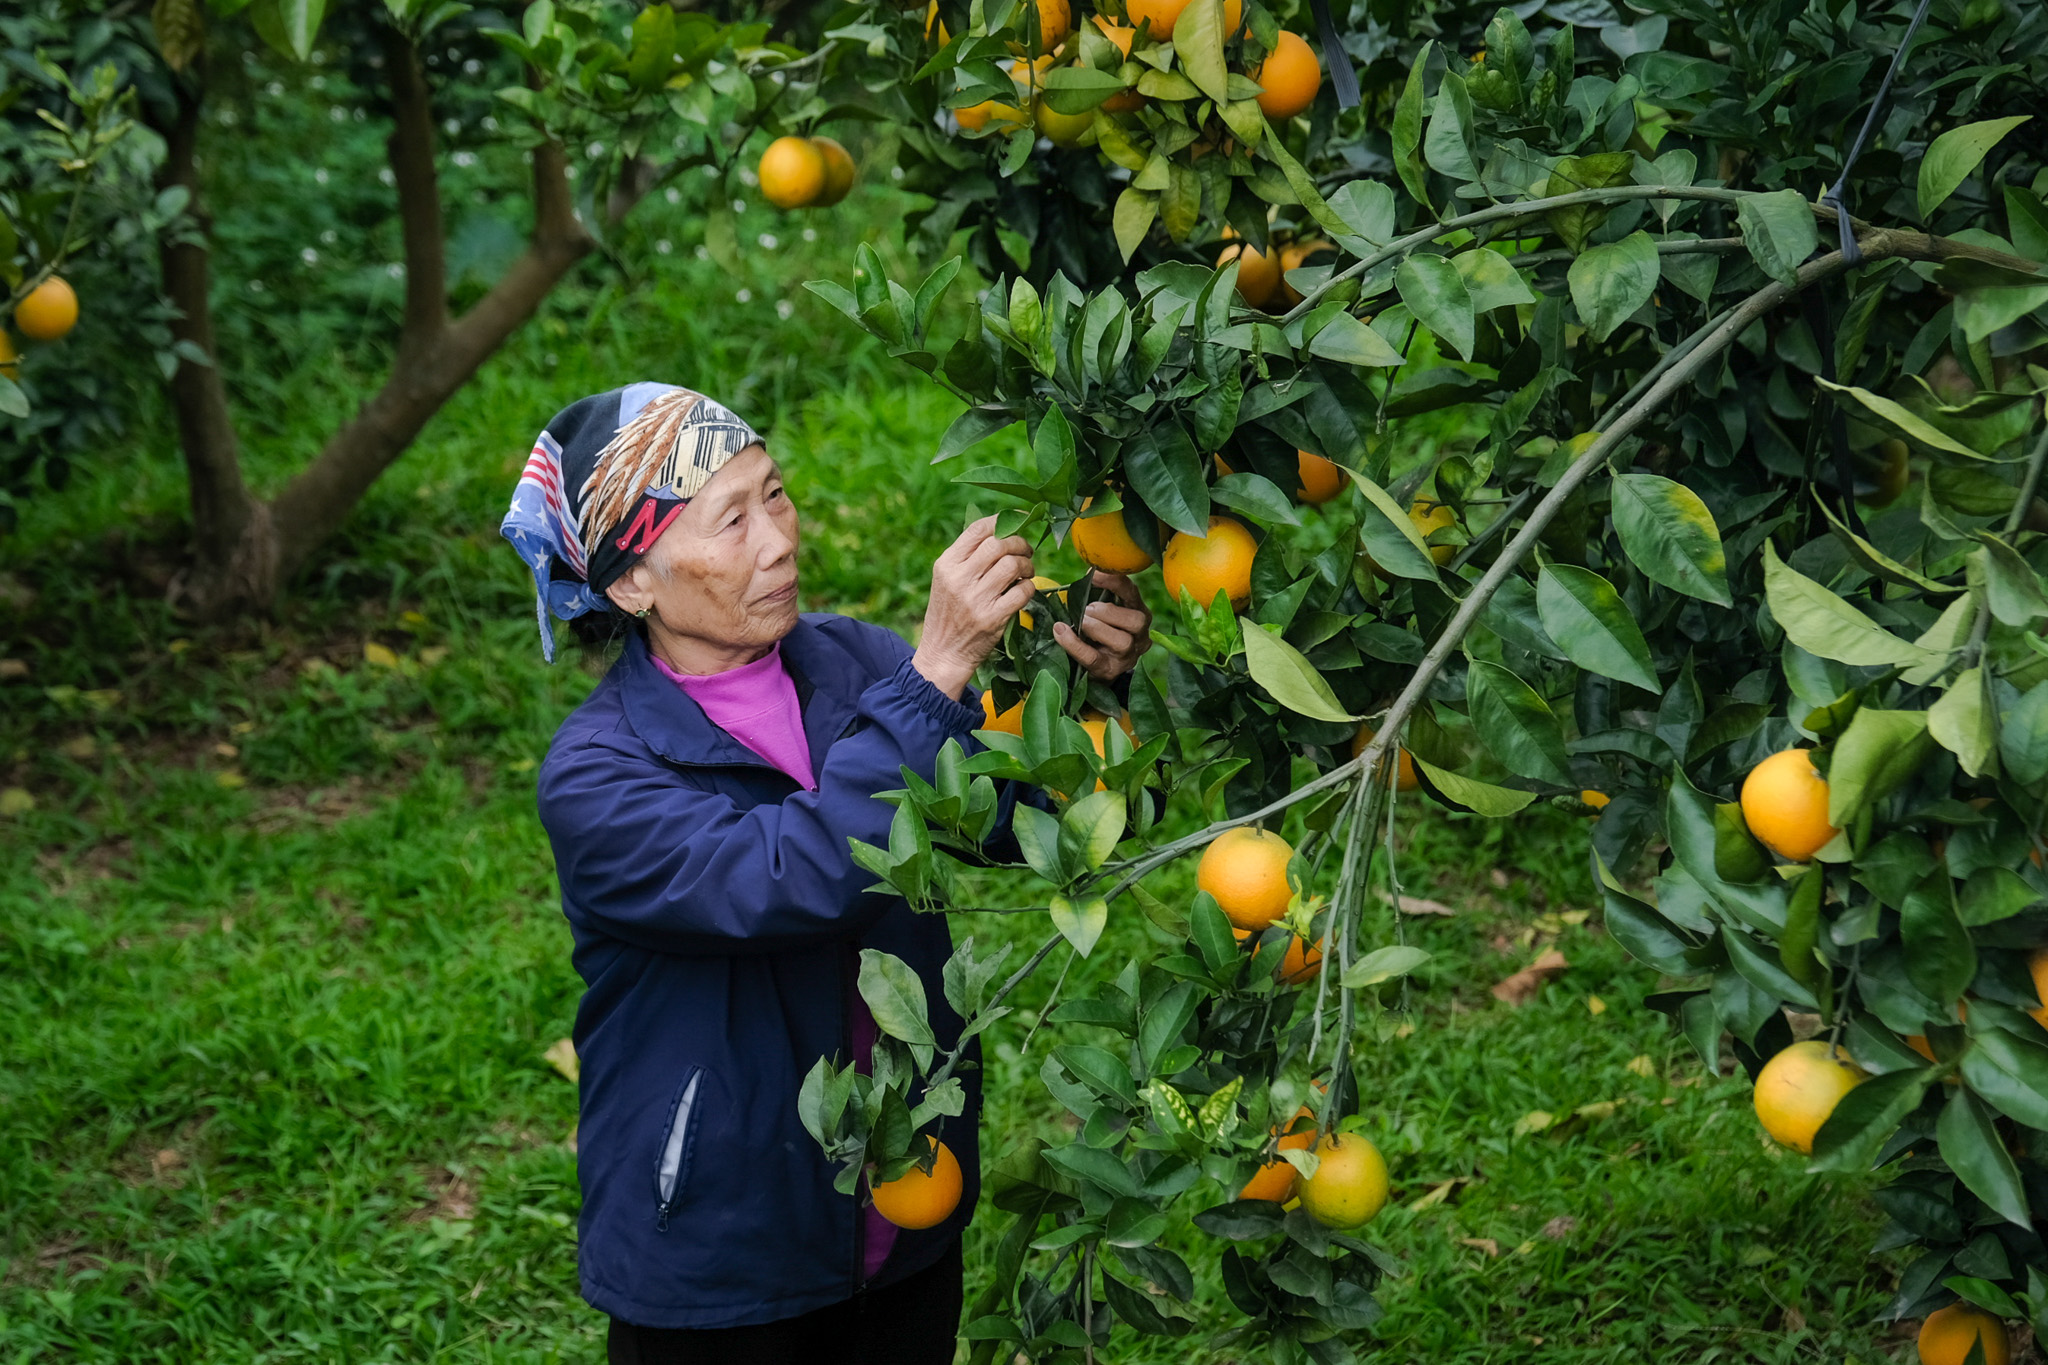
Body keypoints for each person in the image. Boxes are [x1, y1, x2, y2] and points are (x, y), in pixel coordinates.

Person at [499, 383, 1152, 1364]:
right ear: (633, 582)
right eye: (731, 519)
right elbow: (783, 878)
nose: (776, 539)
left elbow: (1023, 828)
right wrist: (931, 677)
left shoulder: (848, 664)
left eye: (774, 494)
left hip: (902, 1198)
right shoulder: (599, 776)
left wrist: (1096, 693)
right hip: (724, 1247)